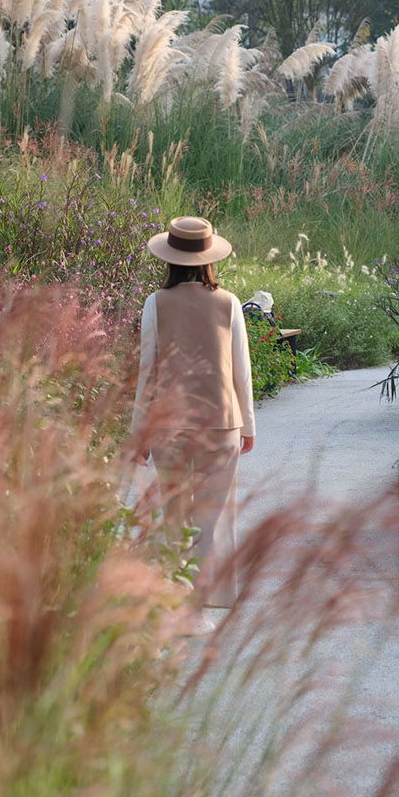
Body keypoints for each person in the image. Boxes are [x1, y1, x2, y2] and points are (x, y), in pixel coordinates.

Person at [131, 216, 255, 615]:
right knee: (216, 513)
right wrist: (248, 424)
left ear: (169, 258)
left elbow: (147, 372)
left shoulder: (156, 303)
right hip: (222, 422)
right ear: (209, 258)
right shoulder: (229, 302)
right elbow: (241, 371)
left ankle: (175, 592)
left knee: (174, 511)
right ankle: (215, 594)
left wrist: (139, 434)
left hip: (169, 425)